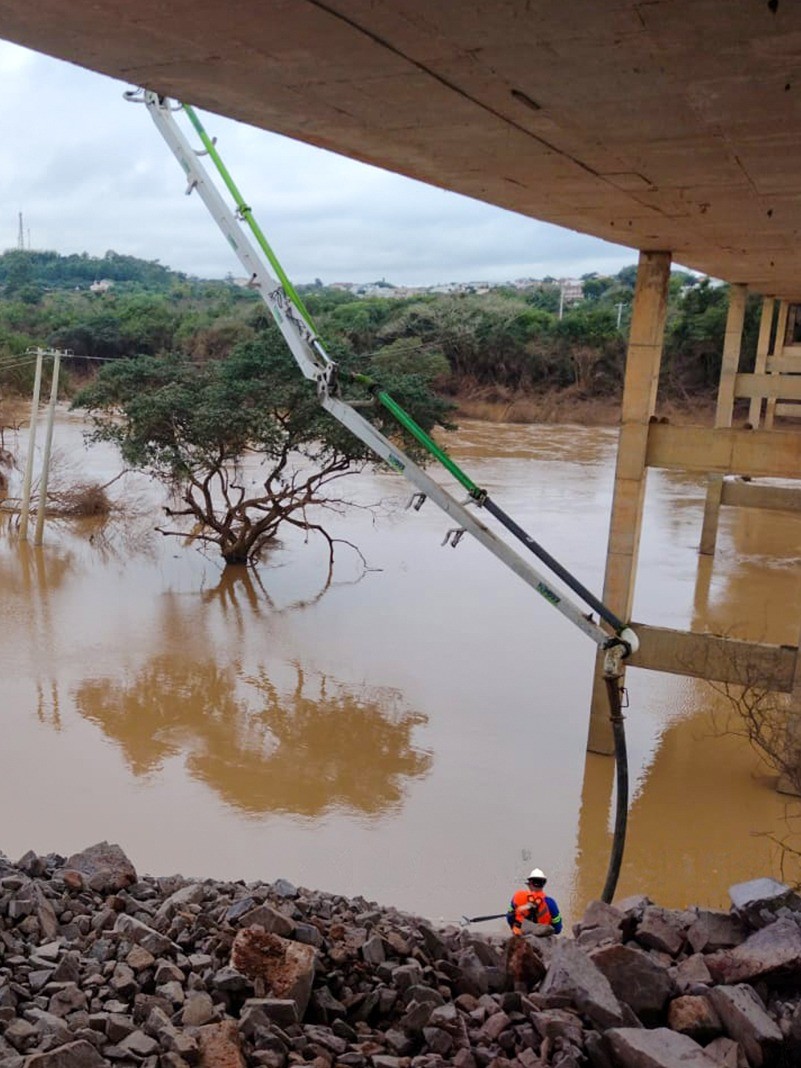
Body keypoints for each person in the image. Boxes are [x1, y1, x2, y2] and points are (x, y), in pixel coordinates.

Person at [506, 868, 563, 936]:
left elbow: (509, 917)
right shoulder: (550, 903)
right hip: (542, 939)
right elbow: (558, 929)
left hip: (520, 937)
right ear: (543, 884)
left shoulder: (517, 897)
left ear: (529, 884)